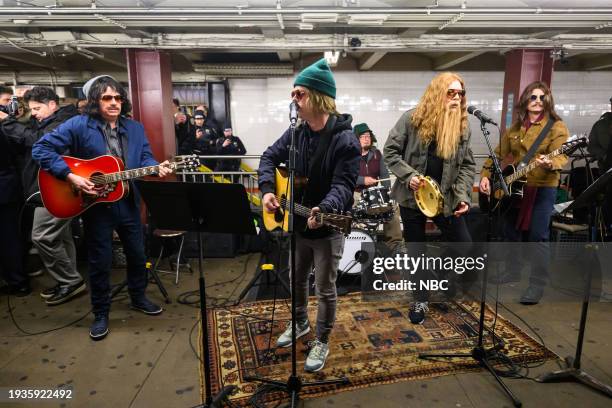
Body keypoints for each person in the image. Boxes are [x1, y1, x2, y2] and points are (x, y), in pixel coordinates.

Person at [32, 76, 173, 340]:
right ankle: (101, 313)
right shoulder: (77, 125)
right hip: (96, 206)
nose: (114, 103)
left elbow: (144, 156)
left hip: (129, 202)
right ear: (95, 100)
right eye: (107, 98)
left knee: (137, 254)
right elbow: (41, 149)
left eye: (118, 98)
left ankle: (138, 297)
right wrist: (70, 176)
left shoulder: (134, 128)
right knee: (100, 261)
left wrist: (156, 167)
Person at [258, 58, 360, 372]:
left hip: (327, 226)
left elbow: (344, 185)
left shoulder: (345, 139)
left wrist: (325, 209)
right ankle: (300, 323)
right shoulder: (296, 133)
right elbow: (268, 157)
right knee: (295, 278)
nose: (294, 100)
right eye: (293, 94)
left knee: (325, 288)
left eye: (299, 94)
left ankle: (323, 340)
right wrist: (267, 190)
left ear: (317, 96)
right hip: (297, 223)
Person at [383, 72, 476, 325]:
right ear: (438, 93)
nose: (457, 97)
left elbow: (467, 166)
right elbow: (389, 152)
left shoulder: (462, 126)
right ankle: (420, 298)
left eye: (460, 93)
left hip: (445, 198)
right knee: (417, 251)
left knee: (464, 244)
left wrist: (462, 196)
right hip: (412, 198)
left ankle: (437, 277)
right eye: (451, 92)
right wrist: (408, 176)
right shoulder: (411, 119)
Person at [479, 81, 569, 305]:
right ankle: (513, 271)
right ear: (525, 101)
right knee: (511, 232)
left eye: (542, 97)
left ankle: (537, 285)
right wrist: (484, 175)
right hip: (515, 187)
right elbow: (497, 154)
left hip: (542, 188)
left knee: (539, 237)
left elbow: (561, 155)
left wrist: (550, 163)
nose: (537, 101)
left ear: (547, 101)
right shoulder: (516, 128)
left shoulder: (556, 127)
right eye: (533, 97)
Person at [2, 86, 85, 305]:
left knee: (42, 237)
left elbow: (36, 140)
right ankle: (69, 280)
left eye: (37, 108)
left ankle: (70, 279)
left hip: (56, 190)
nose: (35, 113)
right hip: (45, 190)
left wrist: (6, 121)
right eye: (31, 109)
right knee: (61, 236)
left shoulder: (64, 122)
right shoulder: (45, 121)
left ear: (52, 104)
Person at [353, 122, 403, 248]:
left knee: (393, 207)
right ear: (355, 138)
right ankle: (356, 241)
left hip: (375, 193)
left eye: (368, 136)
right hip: (356, 194)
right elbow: (345, 176)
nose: (367, 138)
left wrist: (387, 192)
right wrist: (362, 180)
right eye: (363, 136)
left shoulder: (377, 154)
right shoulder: (350, 155)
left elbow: (385, 176)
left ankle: (395, 245)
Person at [0, 86, 29, 296]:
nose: (10, 105)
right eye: (6, 100)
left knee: (9, 236)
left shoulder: (9, 124)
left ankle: (17, 281)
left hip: (7, 187)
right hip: (8, 185)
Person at [587, 96, 612, 229]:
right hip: (607, 172)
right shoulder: (600, 125)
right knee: (608, 203)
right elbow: (592, 146)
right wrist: (602, 156)